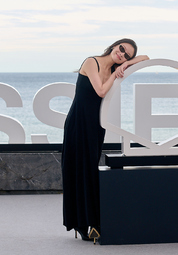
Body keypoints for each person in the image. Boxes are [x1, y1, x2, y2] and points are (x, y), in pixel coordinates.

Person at [61, 38, 149, 242]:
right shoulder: (92, 62)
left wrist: (126, 65)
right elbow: (100, 90)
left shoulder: (117, 68)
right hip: (78, 123)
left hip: (95, 125)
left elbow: (146, 57)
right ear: (113, 45)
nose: (122, 54)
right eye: (121, 49)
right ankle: (81, 223)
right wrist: (117, 73)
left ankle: (92, 220)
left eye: (127, 54)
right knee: (77, 171)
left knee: (90, 171)